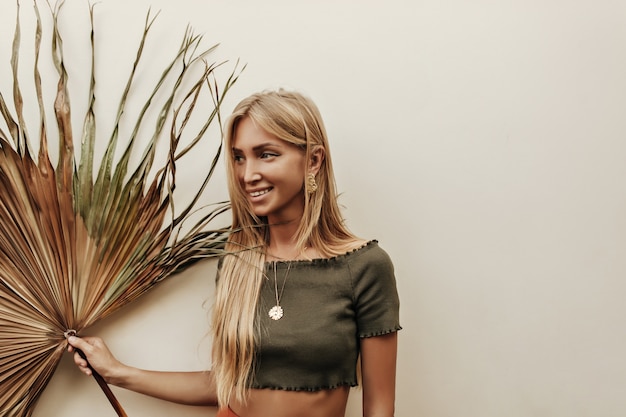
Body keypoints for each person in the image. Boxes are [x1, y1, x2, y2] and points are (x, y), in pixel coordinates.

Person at [68, 89, 402, 417]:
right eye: (239, 157)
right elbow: (224, 386)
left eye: (266, 154)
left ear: (313, 160)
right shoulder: (238, 262)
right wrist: (116, 372)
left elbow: (379, 406)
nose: (247, 174)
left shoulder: (363, 267)